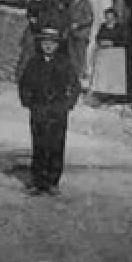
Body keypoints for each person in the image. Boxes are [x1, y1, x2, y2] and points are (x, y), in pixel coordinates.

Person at [18, 27, 81, 195]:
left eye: (52, 43)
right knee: (39, 144)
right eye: (45, 42)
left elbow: (75, 86)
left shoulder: (65, 63)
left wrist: (68, 104)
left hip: (58, 110)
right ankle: (38, 181)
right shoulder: (34, 63)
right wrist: (28, 101)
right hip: (39, 108)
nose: (48, 46)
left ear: (57, 45)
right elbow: (24, 84)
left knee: (56, 145)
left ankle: (53, 181)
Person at [89, 8, 128, 102]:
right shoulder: (103, 26)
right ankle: (103, 94)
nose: (108, 19)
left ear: (115, 17)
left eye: (110, 17)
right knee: (103, 75)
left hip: (116, 54)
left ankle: (115, 96)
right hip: (104, 54)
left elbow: (125, 40)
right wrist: (101, 42)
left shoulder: (120, 27)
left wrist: (112, 43)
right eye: (107, 17)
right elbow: (98, 37)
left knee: (115, 76)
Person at [18, 0, 48, 77]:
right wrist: (31, 18)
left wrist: (39, 20)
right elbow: (29, 11)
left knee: (40, 50)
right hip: (32, 27)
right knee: (27, 49)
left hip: (42, 28)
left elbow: (48, 13)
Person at [68, 0, 94, 82]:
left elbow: (89, 18)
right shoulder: (71, 2)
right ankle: (73, 76)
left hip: (81, 34)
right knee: (72, 55)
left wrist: (79, 24)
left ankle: (80, 76)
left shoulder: (86, 3)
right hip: (71, 33)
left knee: (81, 56)